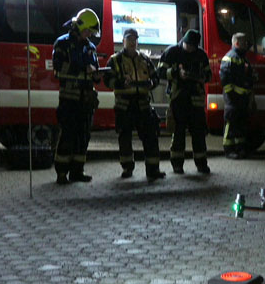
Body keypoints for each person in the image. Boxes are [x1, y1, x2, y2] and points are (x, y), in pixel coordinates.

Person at [104, 28, 166, 181]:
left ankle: (153, 169)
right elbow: (107, 80)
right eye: (129, 39)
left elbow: (155, 77)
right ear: (123, 40)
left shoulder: (144, 59)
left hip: (143, 105)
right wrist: (119, 83)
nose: (132, 42)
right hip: (124, 105)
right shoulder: (115, 60)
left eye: (134, 39)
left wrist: (151, 83)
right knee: (124, 138)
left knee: (150, 137)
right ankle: (127, 168)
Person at [52, 8, 102, 184]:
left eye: (91, 32)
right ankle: (61, 173)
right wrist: (83, 69)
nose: (89, 34)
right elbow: (58, 70)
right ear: (79, 26)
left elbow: (94, 73)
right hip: (69, 99)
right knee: (67, 136)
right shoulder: (62, 44)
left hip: (86, 99)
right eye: (88, 30)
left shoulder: (90, 47)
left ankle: (77, 171)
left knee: (83, 136)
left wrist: (96, 75)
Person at [157, 29, 212, 174]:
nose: (190, 48)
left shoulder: (201, 55)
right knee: (178, 132)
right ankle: (177, 165)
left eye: (193, 46)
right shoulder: (172, 52)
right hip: (178, 99)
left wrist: (201, 77)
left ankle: (201, 164)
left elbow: (209, 75)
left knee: (199, 134)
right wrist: (176, 73)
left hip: (196, 99)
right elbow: (160, 73)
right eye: (188, 45)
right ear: (183, 41)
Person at [219, 32, 254, 159]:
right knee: (231, 123)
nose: (246, 45)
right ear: (237, 43)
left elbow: (247, 76)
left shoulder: (242, 58)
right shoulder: (230, 57)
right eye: (244, 42)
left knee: (240, 124)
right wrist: (231, 95)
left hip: (242, 97)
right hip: (233, 98)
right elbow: (225, 79)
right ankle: (229, 150)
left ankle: (240, 149)